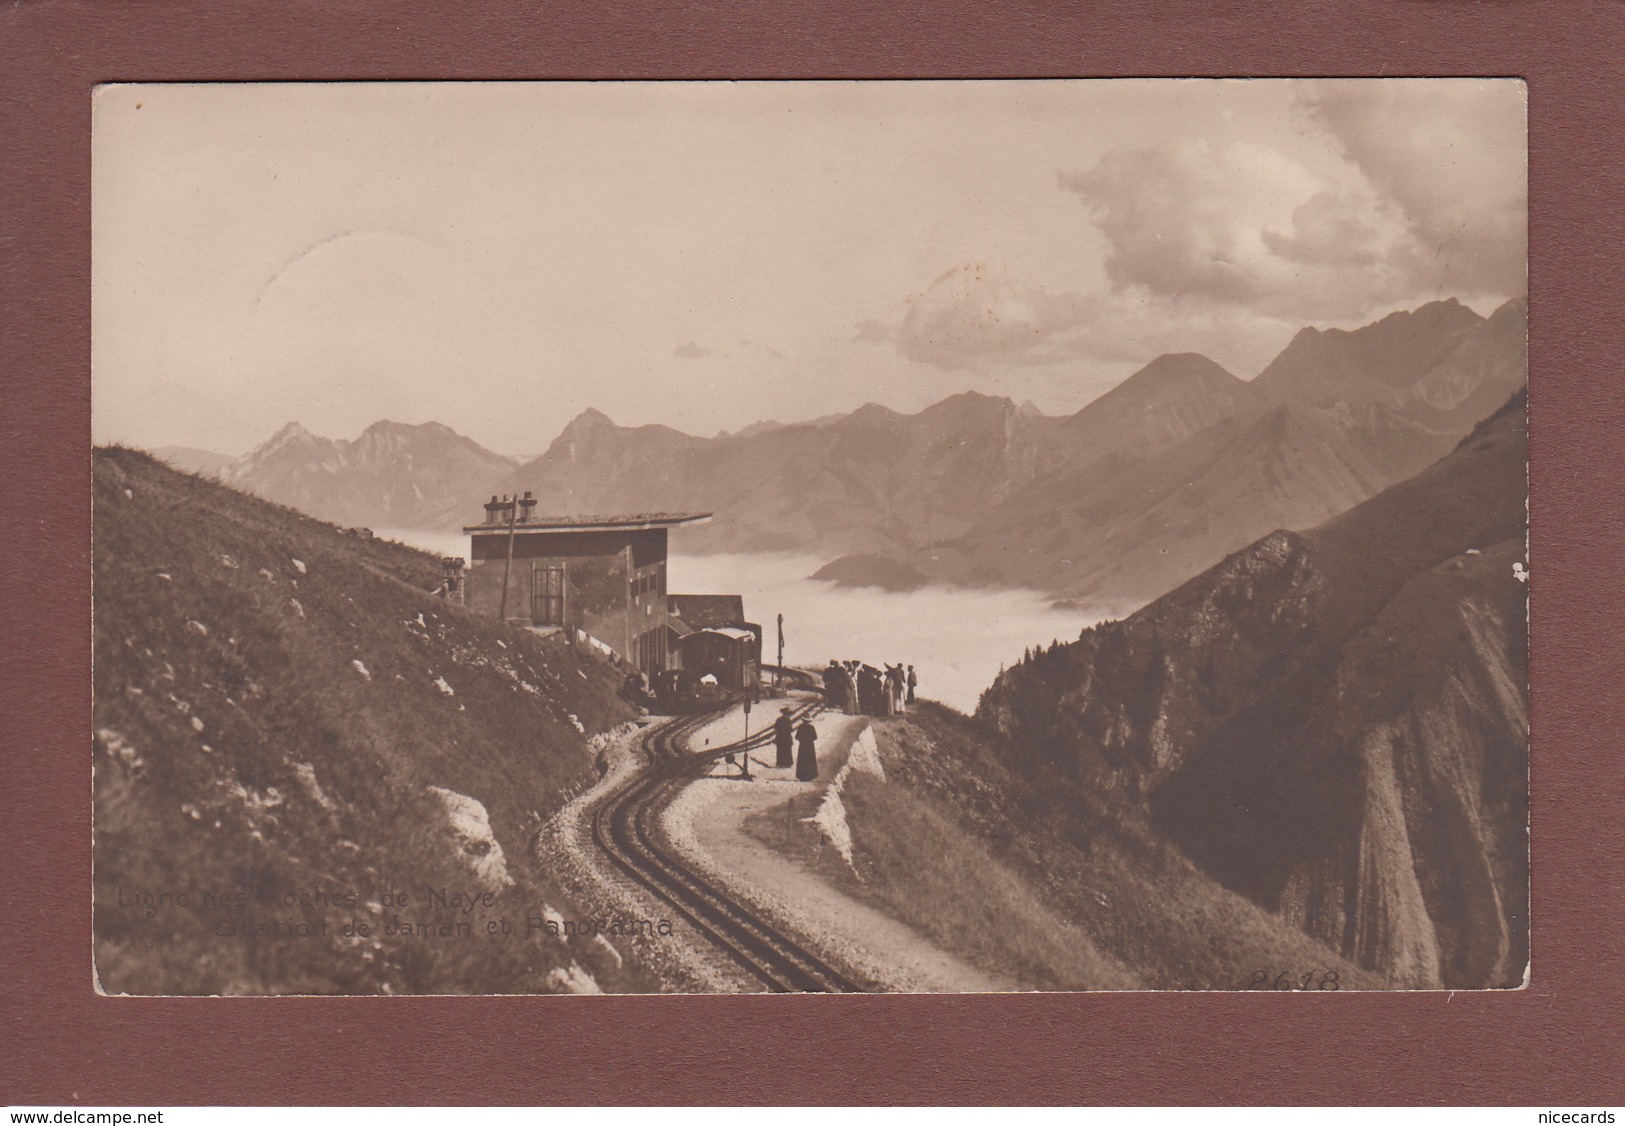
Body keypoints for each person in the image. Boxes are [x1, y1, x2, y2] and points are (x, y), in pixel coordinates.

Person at [795, 717, 819, 782]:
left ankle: (802, 776)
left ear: (803, 721)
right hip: (810, 747)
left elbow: (797, 737)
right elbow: (815, 737)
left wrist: (802, 739)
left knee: (802, 760)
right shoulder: (811, 727)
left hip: (802, 746)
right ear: (809, 721)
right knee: (810, 760)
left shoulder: (800, 727)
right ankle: (810, 775)